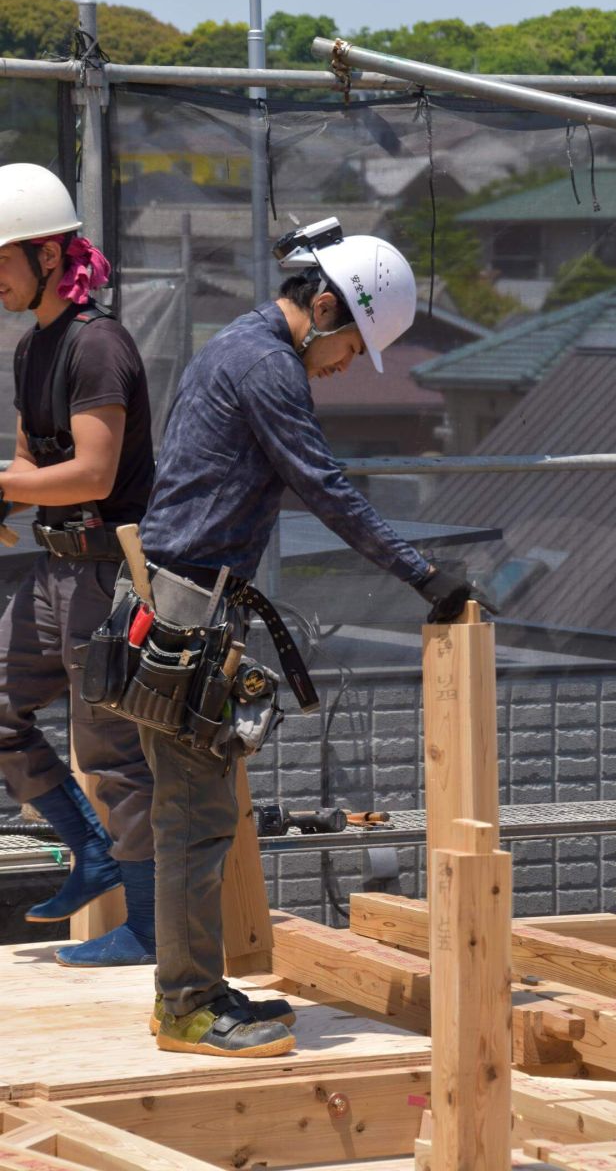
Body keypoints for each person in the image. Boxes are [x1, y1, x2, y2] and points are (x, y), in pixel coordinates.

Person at [136, 221, 485, 1057]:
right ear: (324, 306)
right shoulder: (266, 366)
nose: (340, 370)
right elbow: (324, 485)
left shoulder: (235, 347)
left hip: (181, 600)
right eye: (350, 349)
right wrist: (420, 573)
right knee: (195, 816)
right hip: (185, 607)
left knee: (201, 810)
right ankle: (185, 1006)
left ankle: (196, 992)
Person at [0, 162, 157, 967]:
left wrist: (5, 485)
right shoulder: (33, 351)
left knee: (112, 753)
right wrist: (8, 499)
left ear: (50, 256)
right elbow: (33, 466)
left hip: (107, 572)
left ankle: (151, 931)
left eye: (2, 261)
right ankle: (90, 854)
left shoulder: (99, 346)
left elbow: (93, 474)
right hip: (55, 568)